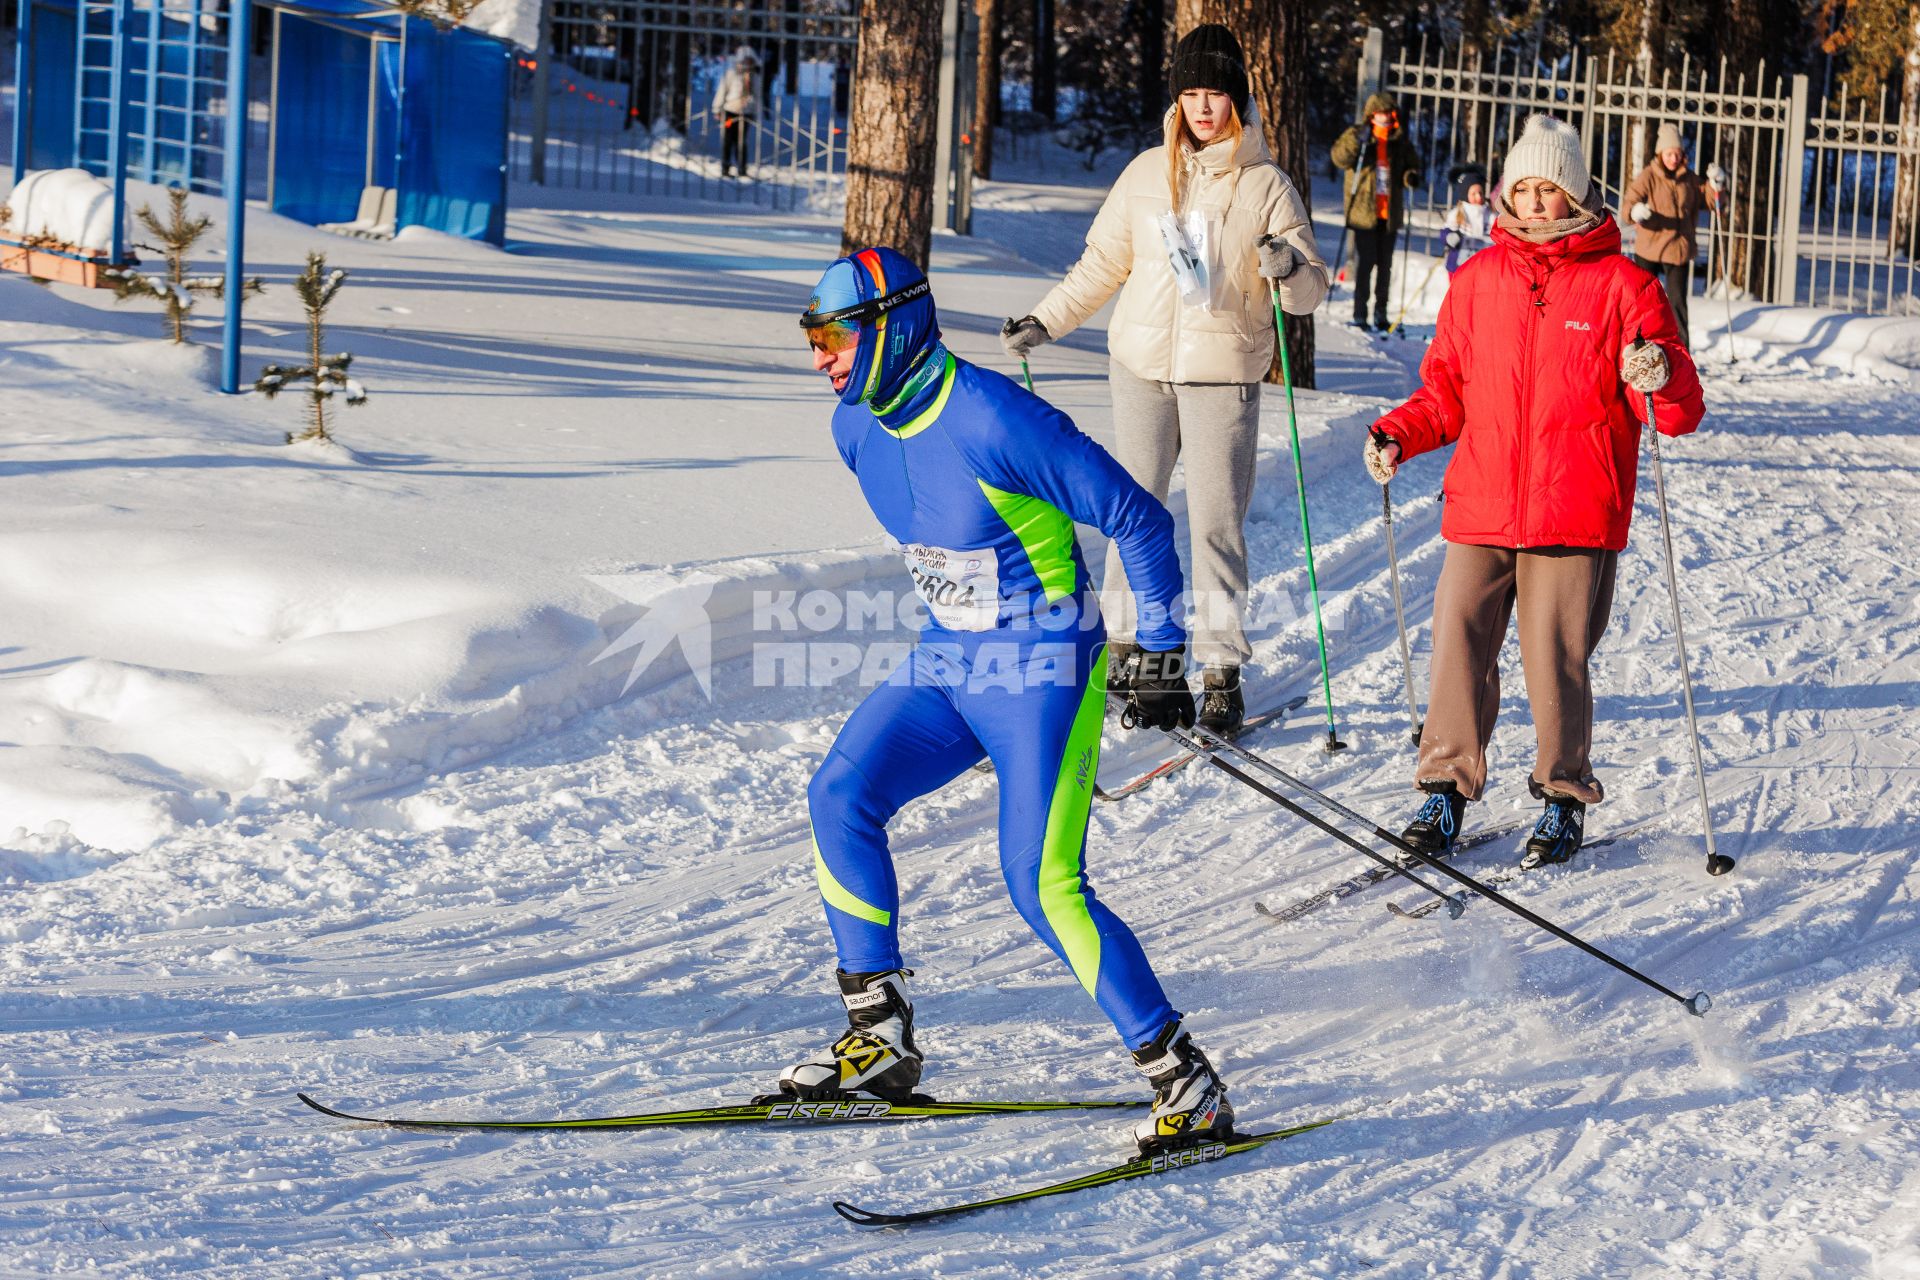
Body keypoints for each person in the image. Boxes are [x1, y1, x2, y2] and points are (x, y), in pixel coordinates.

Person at [789, 245, 1234, 1155]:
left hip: (1040, 676)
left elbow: (1138, 518)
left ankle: (1184, 1079)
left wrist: (1157, 651)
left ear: (892, 326)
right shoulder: (857, 429)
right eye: (812, 338)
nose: (821, 357)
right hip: (950, 665)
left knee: (1042, 883)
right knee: (839, 795)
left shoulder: (997, 417)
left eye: (833, 334)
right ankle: (879, 1039)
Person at [1361, 115, 1705, 870]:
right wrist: (1397, 432)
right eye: (1523, 186)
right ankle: (1444, 787)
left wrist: (1662, 374)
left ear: (1575, 193)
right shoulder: (1477, 283)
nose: (1534, 200)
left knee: (1555, 660)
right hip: (1482, 503)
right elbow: (1444, 392)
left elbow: (1679, 412)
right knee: (1458, 644)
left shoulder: (1625, 285)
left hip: (1575, 509)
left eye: (1548, 187)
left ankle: (1561, 796)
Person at [998, 24, 1328, 738]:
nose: (1203, 108)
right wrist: (1045, 322)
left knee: (1214, 522)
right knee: (1132, 511)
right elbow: (1099, 265)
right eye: (1191, 93)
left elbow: (1307, 294)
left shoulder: (1266, 184)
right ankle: (1127, 646)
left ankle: (1219, 670)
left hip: (1224, 376)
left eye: (1215, 93)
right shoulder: (1146, 174)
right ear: (1176, 99)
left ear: (1237, 99)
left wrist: (1289, 269)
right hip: (1140, 370)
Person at [1330, 92, 1422, 332]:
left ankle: (1381, 313)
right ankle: (1360, 313)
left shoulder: (1399, 141)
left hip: (1388, 215)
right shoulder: (1359, 137)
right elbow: (1339, 158)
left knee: (1385, 266)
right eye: (1381, 113)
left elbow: (1412, 167)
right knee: (1366, 265)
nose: (1386, 117)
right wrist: (1356, 141)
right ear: (1371, 115)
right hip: (1364, 213)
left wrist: (1410, 176)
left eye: (1389, 113)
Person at [1623, 123, 1719, 350]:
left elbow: (1712, 203)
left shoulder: (1689, 178)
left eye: (1677, 153)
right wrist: (1634, 211)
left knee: (1677, 303)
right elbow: (1628, 203)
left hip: (1678, 250)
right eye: (1669, 154)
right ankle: (1638, 346)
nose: (1674, 158)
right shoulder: (1649, 176)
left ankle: (1681, 351)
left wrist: (1717, 184)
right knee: (1644, 302)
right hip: (1650, 248)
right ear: (1660, 153)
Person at [713, 46, 760, 178]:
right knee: (728, 139)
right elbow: (723, 90)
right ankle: (725, 168)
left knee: (741, 141)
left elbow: (757, 95)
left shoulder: (755, 76)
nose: (747, 63)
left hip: (746, 113)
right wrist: (717, 108)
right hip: (730, 112)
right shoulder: (732, 73)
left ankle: (742, 169)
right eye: (745, 60)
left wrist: (756, 111)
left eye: (750, 60)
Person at [1442, 177, 1494, 275]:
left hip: (1483, 268)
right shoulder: (1457, 213)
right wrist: (1450, 237)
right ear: (1465, 195)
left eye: (1481, 193)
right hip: (1458, 267)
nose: (1478, 197)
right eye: (1473, 194)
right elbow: (1445, 233)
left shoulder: (1490, 215)